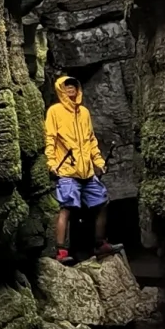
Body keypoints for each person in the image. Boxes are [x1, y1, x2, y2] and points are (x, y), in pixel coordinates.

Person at [44, 74, 123, 264]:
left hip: (86, 172)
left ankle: (100, 244)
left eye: (73, 86)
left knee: (102, 202)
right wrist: (52, 163)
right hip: (67, 171)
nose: (70, 89)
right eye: (66, 86)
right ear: (61, 89)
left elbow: (91, 140)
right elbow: (50, 139)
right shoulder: (55, 111)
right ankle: (61, 252)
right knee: (67, 208)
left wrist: (98, 161)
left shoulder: (84, 113)